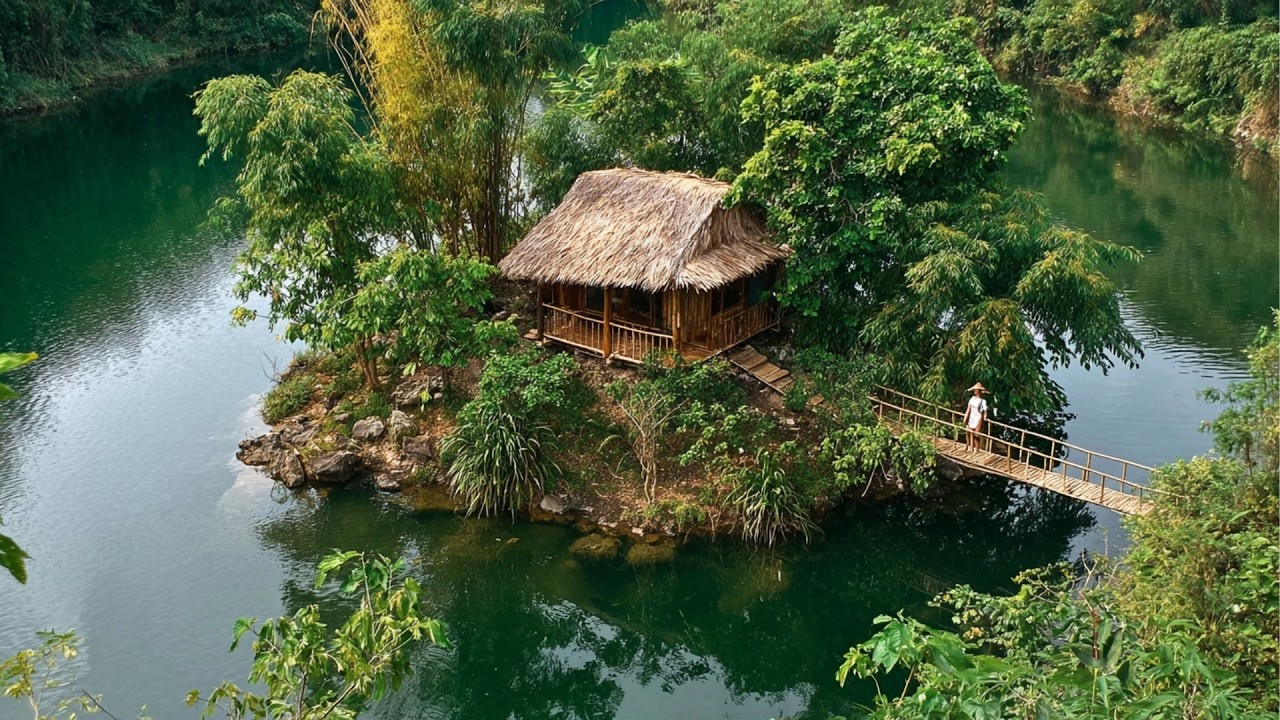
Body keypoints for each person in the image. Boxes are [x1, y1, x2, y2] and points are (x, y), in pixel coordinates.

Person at [963, 382, 988, 450]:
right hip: (972, 417)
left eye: (976, 390)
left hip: (978, 418)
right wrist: (965, 417)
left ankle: (976, 449)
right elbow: (968, 409)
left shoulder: (983, 401)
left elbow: (985, 410)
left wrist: (985, 417)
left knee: (976, 435)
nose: (975, 391)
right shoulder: (972, 399)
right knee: (969, 432)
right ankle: (968, 447)